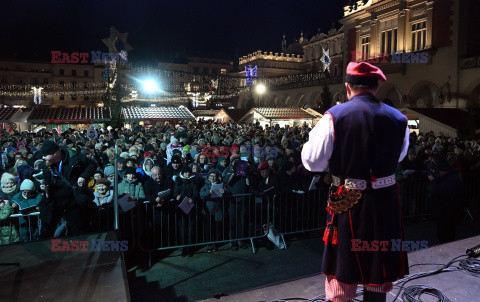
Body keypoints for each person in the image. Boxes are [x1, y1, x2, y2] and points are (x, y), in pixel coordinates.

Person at [301, 62, 410, 302]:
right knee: (377, 265)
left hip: (347, 201)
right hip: (384, 201)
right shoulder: (399, 118)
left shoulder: (334, 116)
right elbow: (399, 156)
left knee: (343, 265)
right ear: (377, 86)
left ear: (348, 87)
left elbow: (312, 162)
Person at [38, 140, 97, 238]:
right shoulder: (43, 165)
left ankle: (84, 252)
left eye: (45, 155)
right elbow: (38, 179)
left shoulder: (75, 157)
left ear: (55, 153)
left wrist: (83, 176)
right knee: (46, 233)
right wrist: (41, 187)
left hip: (73, 202)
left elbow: (92, 164)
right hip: (52, 203)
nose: (43, 157)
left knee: (80, 232)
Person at [428, 158, 464, 243]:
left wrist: (433, 181)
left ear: (443, 170)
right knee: (450, 231)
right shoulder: (454, 176)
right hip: (451, 210)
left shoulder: (451, 179)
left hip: (446, 211)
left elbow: (438, 192)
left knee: (445, 233)